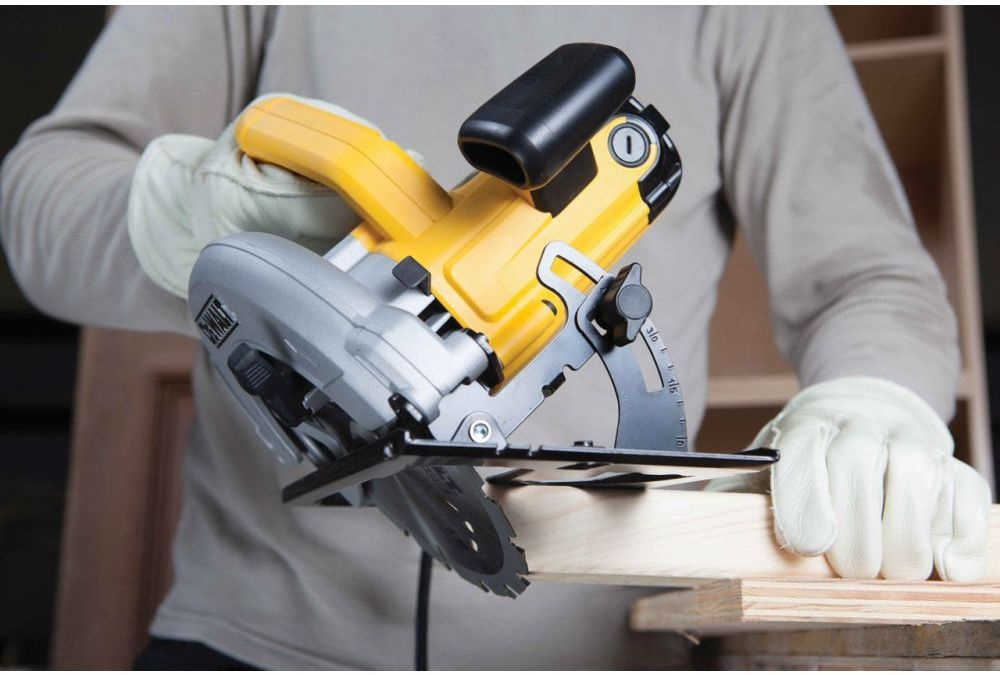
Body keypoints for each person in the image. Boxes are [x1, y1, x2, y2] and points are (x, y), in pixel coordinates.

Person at [1, 6, 991, 670]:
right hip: (246, 640)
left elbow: (870, 277)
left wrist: (872, 397)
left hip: (600, 652)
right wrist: (195, 210)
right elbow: (39, 200)